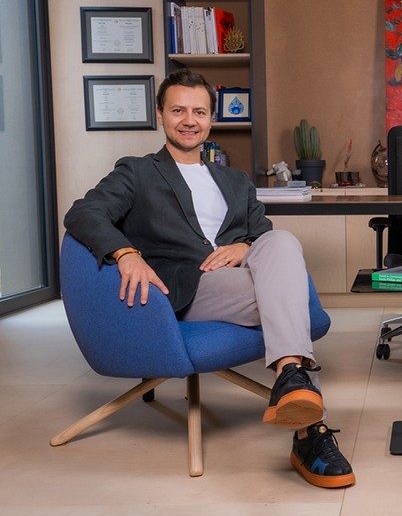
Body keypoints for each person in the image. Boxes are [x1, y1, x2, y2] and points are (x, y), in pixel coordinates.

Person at [64, 69, 355, 489]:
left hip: (241, 278)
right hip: (188, 287)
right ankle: (309, 431)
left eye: (199, 112)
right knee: (293, 302)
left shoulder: (235, 181)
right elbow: (83, 212)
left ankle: (291, 380)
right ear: (160, 114)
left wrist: (245, 248)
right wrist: (126, 253)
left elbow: (262, 233)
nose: (189, 120)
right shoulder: (137, 172)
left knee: (281, 240)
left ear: (211, 119)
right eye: (178, 110)